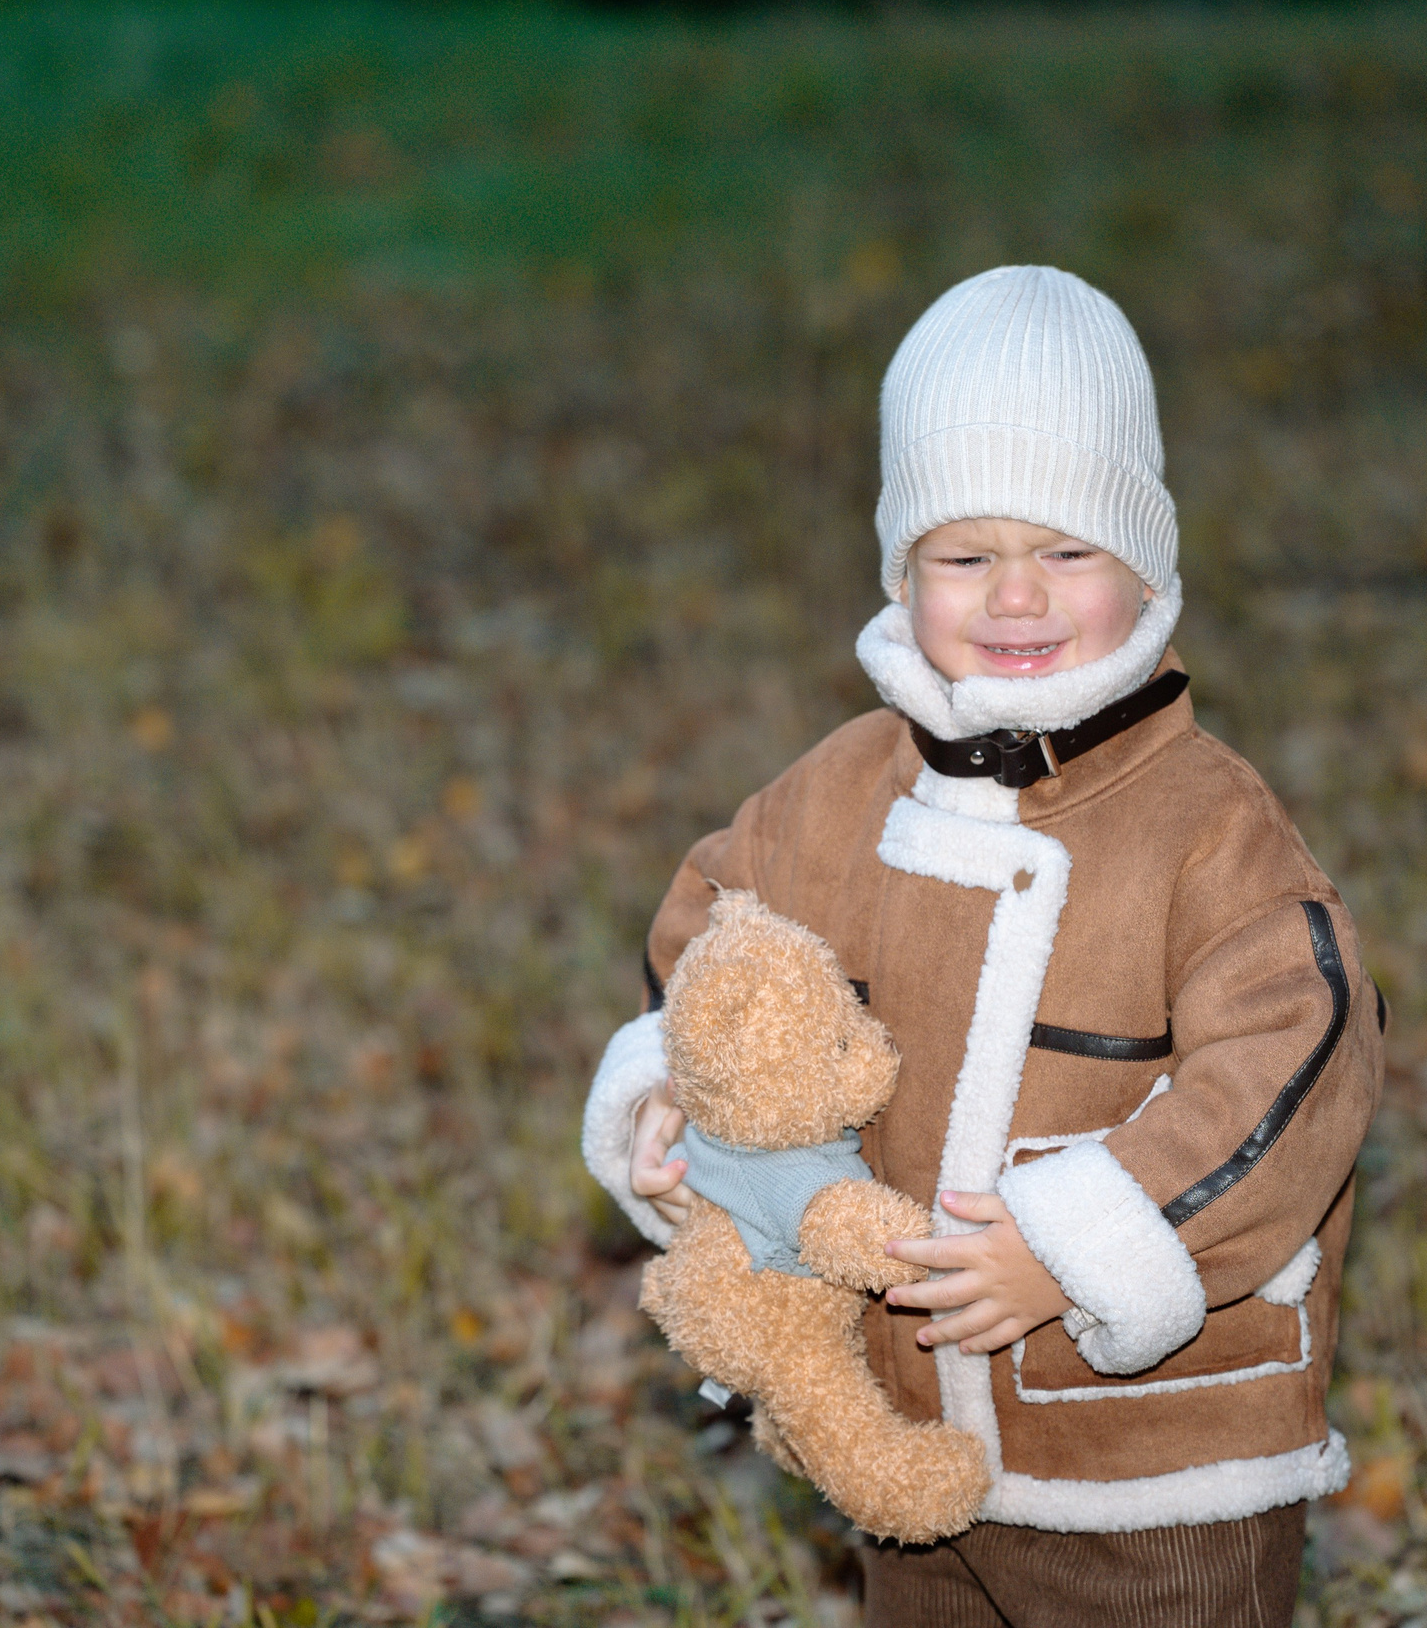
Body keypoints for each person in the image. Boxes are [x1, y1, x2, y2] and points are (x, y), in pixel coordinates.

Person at [581, 264, 1384, 1626]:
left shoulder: (1205, 827)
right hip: (904, 1434)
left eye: (1068, 551)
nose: (1018, 598)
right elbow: (715, 937)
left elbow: (1291, 1071)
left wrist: (1075, 1245)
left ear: (1147, 563)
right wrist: (676, 1091)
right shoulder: (838, 793)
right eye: (966, 556)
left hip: (1150, 1457)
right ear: (905, 573)